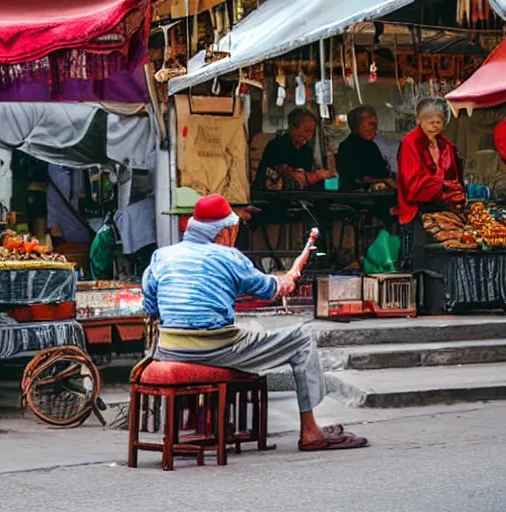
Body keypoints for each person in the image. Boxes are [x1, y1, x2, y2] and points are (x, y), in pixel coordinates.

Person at [142, 193, 368, 451]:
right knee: (302, 338)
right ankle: (310, 431)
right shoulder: (230, 258)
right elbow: (274, 289)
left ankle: (201, 423)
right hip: (215, 349)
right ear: (224, 232)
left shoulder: (161, 256)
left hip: (170, 348)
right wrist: (290, 275)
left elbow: (151, 306)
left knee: (235, 331)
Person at [396, 97, 465, 268]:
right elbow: (411, 182)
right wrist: (440, 186)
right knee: (422, 254)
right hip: (418, 208)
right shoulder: (410, 143)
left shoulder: (446, 144)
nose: (435, 125)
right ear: (420, 121)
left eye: (438, 122)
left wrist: (453, 191)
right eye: (430, 121)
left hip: (442, 206)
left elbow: (454, 176)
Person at [253, 108, 333, 192]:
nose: (308, 136)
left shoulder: (306, 151)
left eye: (311, 133)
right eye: (306, 131)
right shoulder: (276, 146)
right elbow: (279, 177)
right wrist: (314, 176)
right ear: (292, 128)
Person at [336, 105, 396, 192]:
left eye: (375, 121)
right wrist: (386, 181)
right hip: (359, 198)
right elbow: (356, 179)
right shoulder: (348, 147)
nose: (374, 124)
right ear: (357, 124)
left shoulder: (371, 146)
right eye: (370, 121)